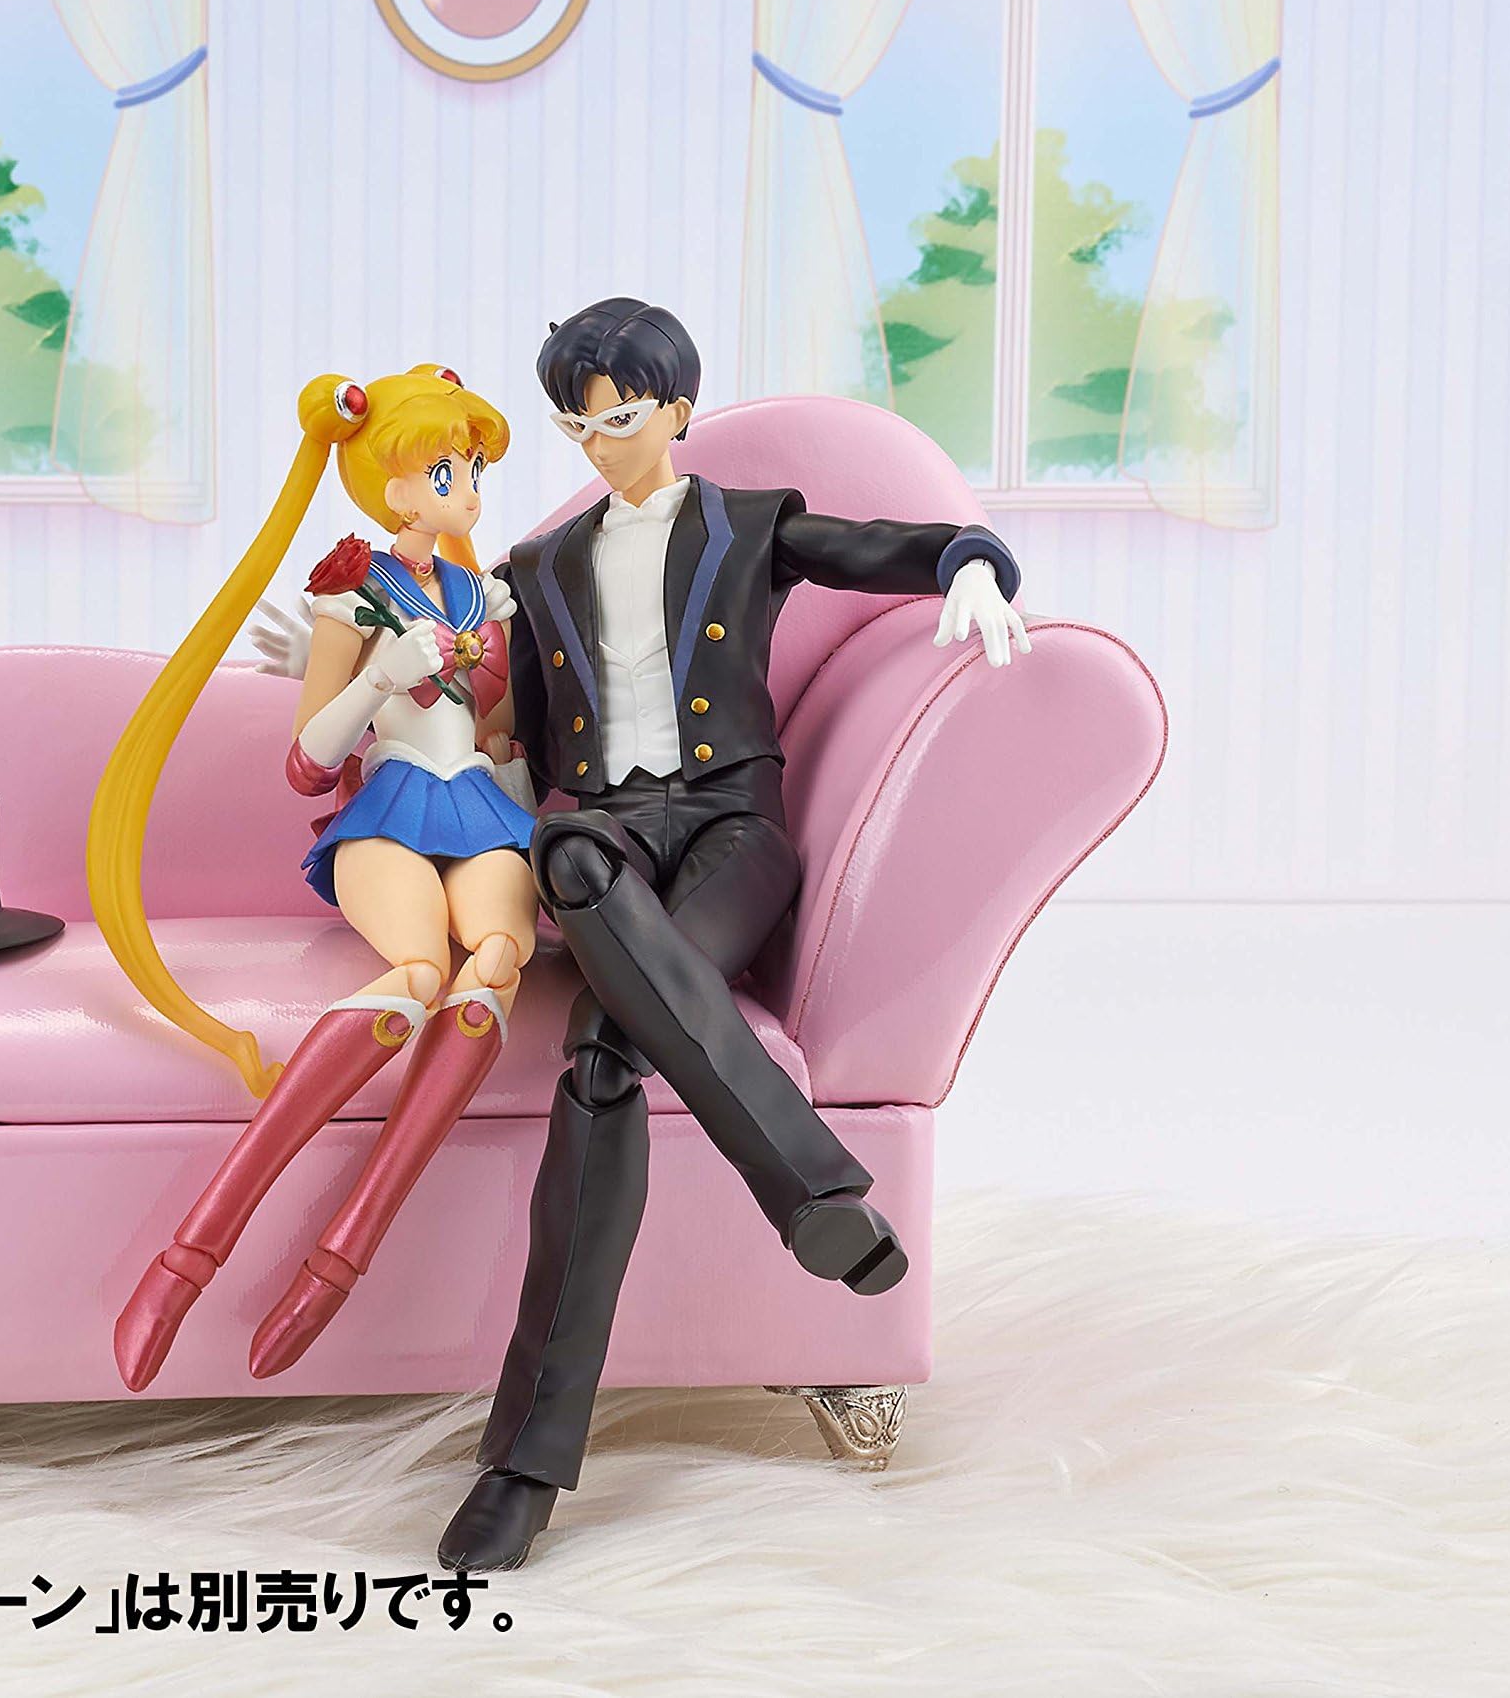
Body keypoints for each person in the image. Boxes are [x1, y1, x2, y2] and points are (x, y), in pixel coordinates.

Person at [438, 299, 1031, 1570]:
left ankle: (523, 1467)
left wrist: (970, 559)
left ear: (676, 409)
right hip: (603, 835)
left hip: (729, 834)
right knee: (567, 852)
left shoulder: (749, 523)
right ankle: (812, 1185)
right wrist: (401, 680)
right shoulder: (537, 569)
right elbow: (518, 736)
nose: (599, 444)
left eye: (618, 417)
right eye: (576, 426)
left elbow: (873, 544)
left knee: (603, 1056)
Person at [89, 366, 540, 1389]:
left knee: (493, 970)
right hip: (390, 804)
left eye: (471, 470)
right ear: (393, 486)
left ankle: (343, 1255)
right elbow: (306, 761)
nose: (468, 489)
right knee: (419, 976)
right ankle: (191, 1253)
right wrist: (376, 675)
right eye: (447, 471)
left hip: (479, 806)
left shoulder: (485, 595)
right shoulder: (354, 590)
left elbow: (499, 727)